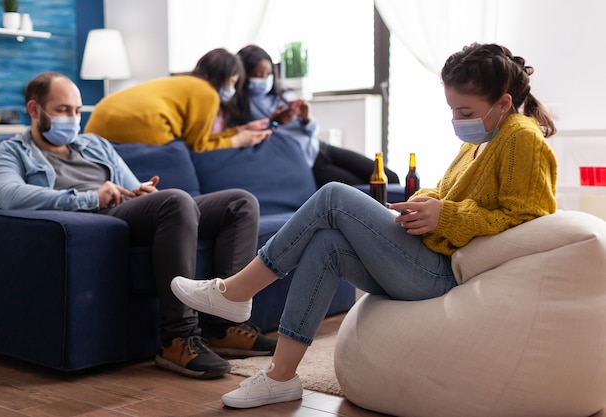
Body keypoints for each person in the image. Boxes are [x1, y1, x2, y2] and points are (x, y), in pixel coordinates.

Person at [169, 42, 558, 407]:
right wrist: (426, 204)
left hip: (443, 273)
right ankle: (280, 376)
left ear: (504, 103)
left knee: (333, 195)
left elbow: (531, 220)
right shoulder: (484, 138)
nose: (456, 121)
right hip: (429, 255)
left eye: (465, 112)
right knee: (327, 245)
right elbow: (449, 191)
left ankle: (237, 292)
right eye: (453, 110)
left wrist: (447, 217)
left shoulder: (521, 140)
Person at [0, 72, 276, 380]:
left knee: (240, 203)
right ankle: (177, 339)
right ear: (35, 110)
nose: (72, 119)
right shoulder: (10, 151)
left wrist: (141, 191)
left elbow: (129, 185)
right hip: (94, 220)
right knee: (177, 201)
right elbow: (8, 195)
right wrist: (89, 198)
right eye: (62, 110)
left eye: (76, 110)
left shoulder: (94, 144)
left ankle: (223, 326)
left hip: (124, 210)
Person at [233, 44, 400, 187]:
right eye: (258, 75)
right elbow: (258, 146)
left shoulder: (280, 93)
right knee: (369, 190)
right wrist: (274, 123)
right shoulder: (242, 109)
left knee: (390, 178)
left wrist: (306, 119)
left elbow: (310, 130)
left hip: (321, 147)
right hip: (308, 165)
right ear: (244, 75)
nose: (264, 79)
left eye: (268, 74)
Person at [84, 48, 271, 151]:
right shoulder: (208, 94)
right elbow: (198, 146)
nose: (232, 88)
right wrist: (238, 141)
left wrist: (237, 131)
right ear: (225, 78)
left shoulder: (182, 82)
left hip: (97, 125)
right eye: (233, 81)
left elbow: (197, 136)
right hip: (141, 127)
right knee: (181, 154)